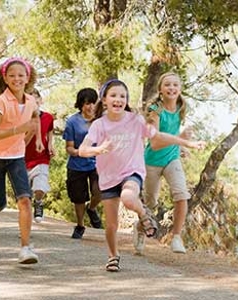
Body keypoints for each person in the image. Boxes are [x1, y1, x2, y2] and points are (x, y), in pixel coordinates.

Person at [78, 79, 204, 272]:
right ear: (104, 100)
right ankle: (113, 256)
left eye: (122, 96)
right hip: (108, 178)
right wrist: (99, 149)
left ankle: (144, 215)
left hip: (132, 172)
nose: (118, 99)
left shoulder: (135, 120)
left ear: (126, 100)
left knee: (129, 197)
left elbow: (158, 136)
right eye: (113, 95)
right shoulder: (99, 125)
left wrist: (186, 143)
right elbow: (83, 150)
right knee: (111, 224)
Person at [0, 57, 43, 264]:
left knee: (25, 200)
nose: (17, 79)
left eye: (21, 75)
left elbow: (33, 121)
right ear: (5, 79)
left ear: (27, 78)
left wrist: (33, 140)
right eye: (12, 75)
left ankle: (25, 248)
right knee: (0, 203)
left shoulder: (31, 101)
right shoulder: (1, 102)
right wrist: (18, 130)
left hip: (16, 157)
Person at [135, 72, 194, 255]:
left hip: (172, 159)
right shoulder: (156, 110)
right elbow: (155, 142)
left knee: (181, 194)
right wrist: (180, 140)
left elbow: (173, 132)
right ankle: (140, 229)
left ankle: (176, 238)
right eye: (167, 84)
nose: (172, 88)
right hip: (152, 161)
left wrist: (182, 147)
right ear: (160, 89)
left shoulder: (182, 107)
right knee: (150, 203)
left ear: (180, 89)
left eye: (175, 85)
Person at [62, 88, 102, 239]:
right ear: (80, 105)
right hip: (77, 165)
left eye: (93, 103)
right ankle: (80, 225)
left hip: (97, 164)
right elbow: (69, 148)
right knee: (78, 198)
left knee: (100, 190)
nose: (90, 107)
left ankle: (91, 209)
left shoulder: (101, 120)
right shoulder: (72, 121)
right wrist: (81, 152)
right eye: (86, 104)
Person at [24, 88, 54, 224]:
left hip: (41, 158)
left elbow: (49, 131)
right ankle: (25, 221)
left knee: (40, 186)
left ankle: (39, 202)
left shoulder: (48, 117)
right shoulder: (22, 118)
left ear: (40, 101)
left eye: (35, 100)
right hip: (23, 159)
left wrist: (50, 145)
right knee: (24, 194)